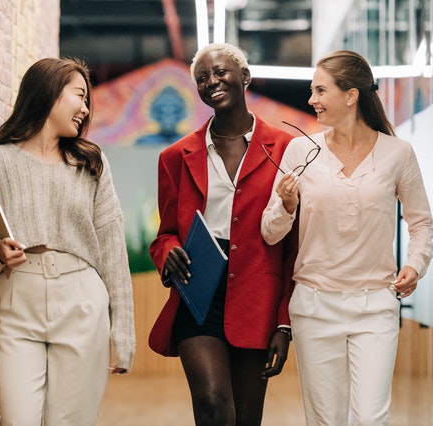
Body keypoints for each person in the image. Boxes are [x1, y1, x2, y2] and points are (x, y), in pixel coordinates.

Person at [261, 50, 433, 425]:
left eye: (320, 90)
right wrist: (286, 205)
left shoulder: (397, 153)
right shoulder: (300, 151)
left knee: (371, 418)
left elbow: (421, 223)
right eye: (312, 91)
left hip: (375, 307)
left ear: (351, 95)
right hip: (313, 307)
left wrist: (415, 265)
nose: (312, 100)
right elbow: (270, 233)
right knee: (326, 419)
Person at [0, 58, 135, 425]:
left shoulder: (91, 164)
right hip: (15, 302)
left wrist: (123, 330)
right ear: (50, 94)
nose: (86, 108)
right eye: (79, 96)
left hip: (82, 300)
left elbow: (113, 250)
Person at [148, 43, 298, 426]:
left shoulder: (286, 150)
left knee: (246, 418)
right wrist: (168, 252)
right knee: (213, 405)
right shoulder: (175, 157)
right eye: (202, 78)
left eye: (220, 72)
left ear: (245, 77)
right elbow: (164, 234)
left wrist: (284, 322)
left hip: (257, 296)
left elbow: (295, 246)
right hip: (198, 292)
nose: (211, 81)